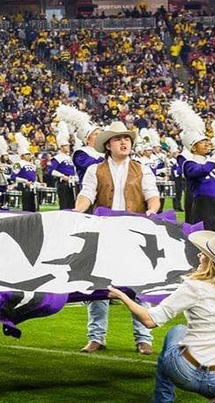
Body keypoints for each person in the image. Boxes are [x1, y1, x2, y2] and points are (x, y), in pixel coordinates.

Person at [107, 230, 215, 403]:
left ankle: (163, 401)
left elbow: (150, 320)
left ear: (212, 263)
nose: (199, 256)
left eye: (204, 255)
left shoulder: (194, 286)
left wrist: (124, 298)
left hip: (183, 371)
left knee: (176, 332)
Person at [74, 122, 159, 355]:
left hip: (135, 233)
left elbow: (152, 195)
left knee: (140, 284)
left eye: (127, 139)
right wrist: (76, 211)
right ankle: (96, 337)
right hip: (104, 233)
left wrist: (152, 210)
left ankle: (144, 337)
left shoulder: (142, 169)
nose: (124, 143)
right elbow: (87, 194)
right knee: (98, 285)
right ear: (108, 145)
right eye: (118, 139)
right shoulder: (95, 170)